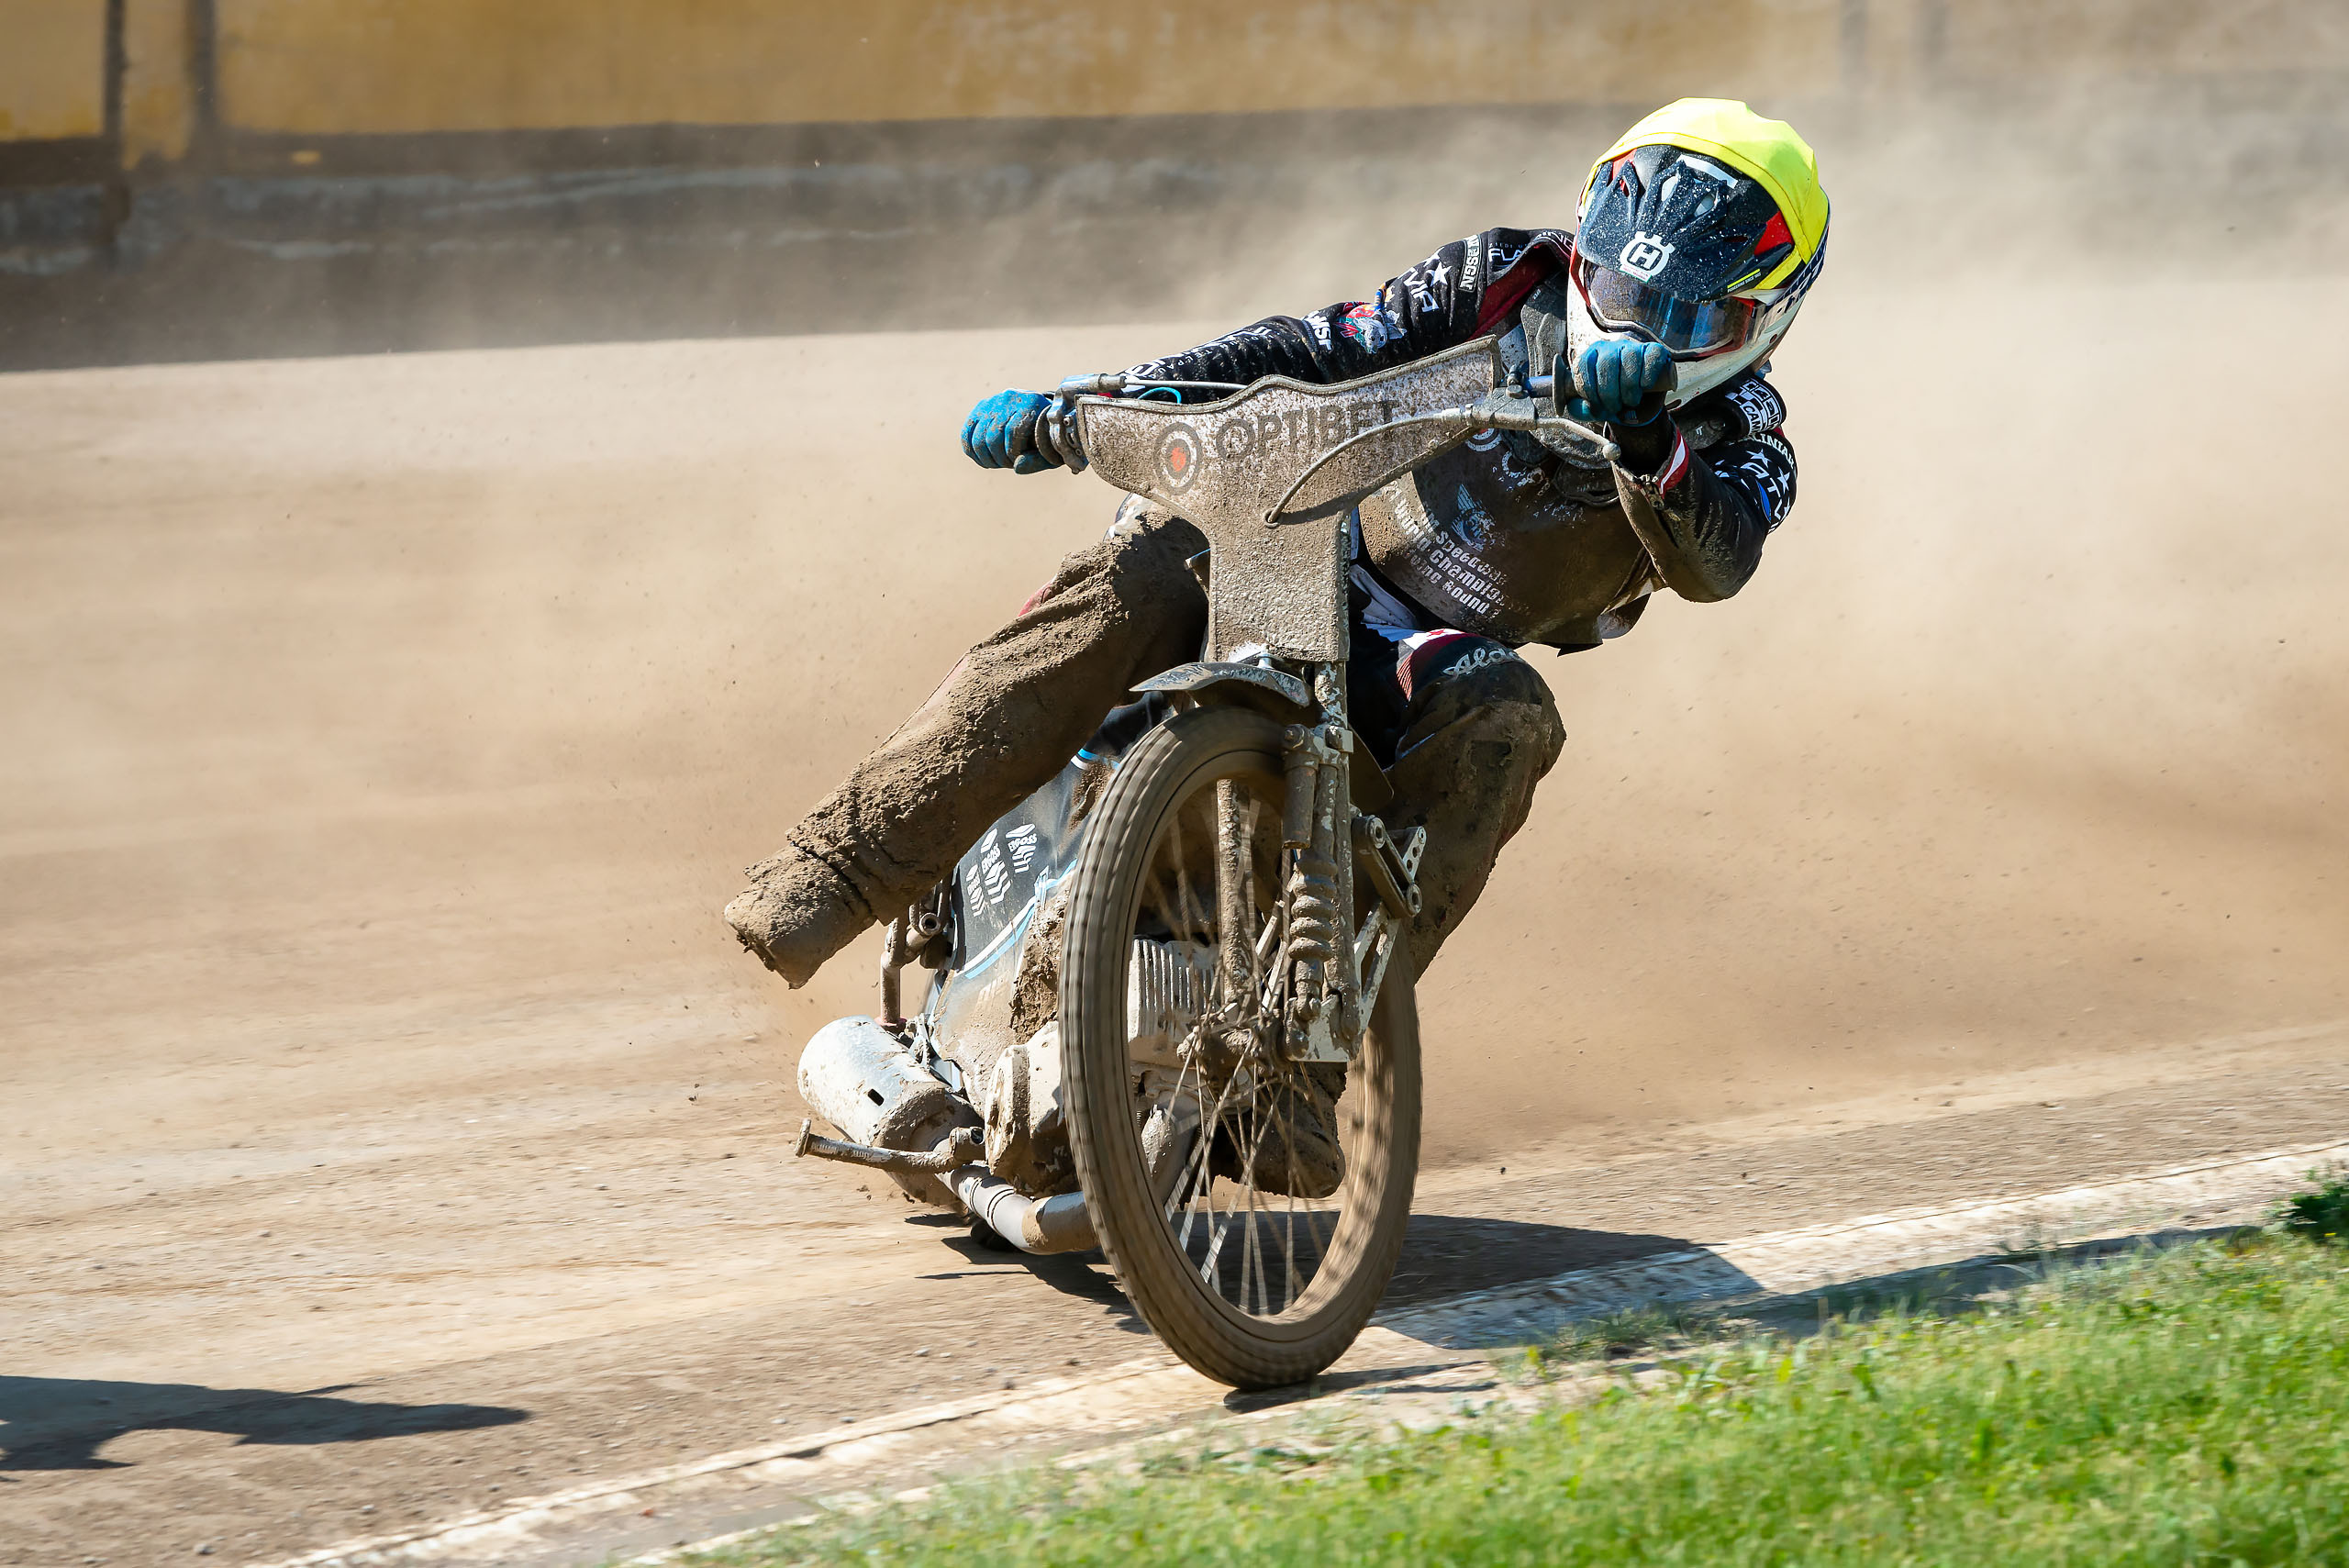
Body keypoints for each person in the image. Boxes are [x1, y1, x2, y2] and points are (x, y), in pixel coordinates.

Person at [727, 97, 1828, 1010]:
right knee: (1149, 563)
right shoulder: (1496, 283)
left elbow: (1713, 563)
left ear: (1765, 322)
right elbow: (1310, 346)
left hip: (1419, 658)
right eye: (1624, 291)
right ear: (1587, 242)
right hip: (1295, 538)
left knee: (1512, 718)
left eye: (1689, 322)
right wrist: (1099, 398)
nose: (1638, 329)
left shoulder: (1749, 441)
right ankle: (835, 866)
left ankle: (1308, 1053)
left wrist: (1649, 445)